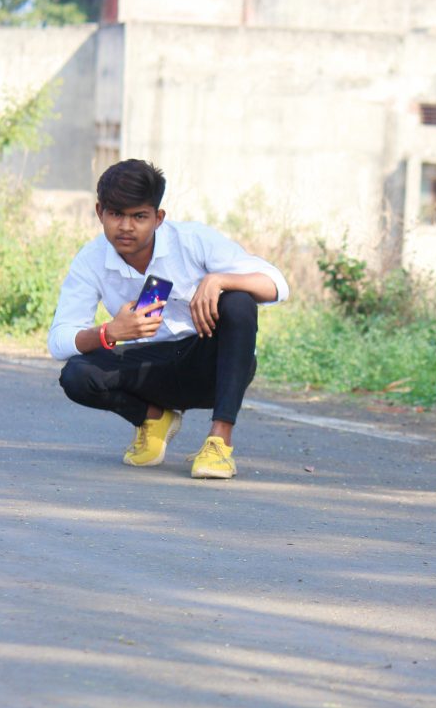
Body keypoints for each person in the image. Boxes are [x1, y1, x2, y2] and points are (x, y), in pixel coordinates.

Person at [48, 159, 289, 479]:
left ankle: (219, 441)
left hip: (210, 367)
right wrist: (110, 331)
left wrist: (220, 280)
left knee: (239, 301)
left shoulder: (192, 240)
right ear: (99, 213)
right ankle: (154, 419)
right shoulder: (91, 260)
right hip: (150, 371)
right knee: (76, 374)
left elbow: (277, 285)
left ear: (158, 218)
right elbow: (60, 339)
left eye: (139, 216)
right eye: (116, 214)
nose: (126, 227)